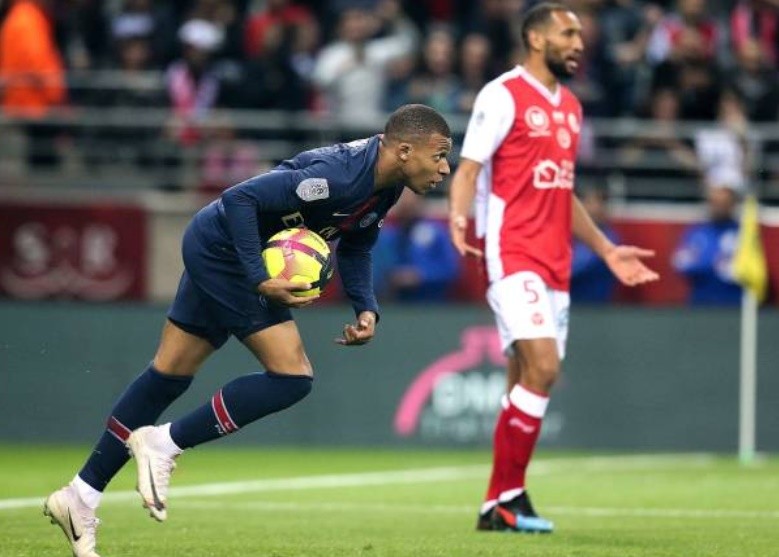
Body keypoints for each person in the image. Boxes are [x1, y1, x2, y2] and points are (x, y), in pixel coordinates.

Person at [43, 104, 453, 557]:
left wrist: (366, 308)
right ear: (403, 150)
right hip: (227, 253)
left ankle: (80, 496)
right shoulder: (336, 177)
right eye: (438, 155)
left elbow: (357, 245)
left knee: (169, 373)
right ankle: (163, 443)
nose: (444, 168)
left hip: (221, 248)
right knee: (292, 377)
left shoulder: (385, 186)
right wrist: (259, 277)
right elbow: (240, 199)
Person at [448, 3, 659, 534]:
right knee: (544, 369)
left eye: (581, 35)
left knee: (524, 377)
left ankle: (498, 504)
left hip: (556, 264)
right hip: (511, 252)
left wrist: (608, 249)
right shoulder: (502, 95)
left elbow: (562, 193)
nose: (579, 43)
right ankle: (508, 499)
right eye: (568, 33)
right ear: (536, 39)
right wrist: (458, 216)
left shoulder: (570, 107)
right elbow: (468, 169)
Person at [372, 187, 460, 302]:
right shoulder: (385, 235)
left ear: (421, 201)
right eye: (401, 199)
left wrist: (420, 275)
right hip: (391, 306)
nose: (406, 203)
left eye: (411, 198)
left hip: (431, 305)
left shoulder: (436, 232)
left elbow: (451, 269)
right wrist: (390, 277)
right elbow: (370, 271)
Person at [672, 178, 743, 305]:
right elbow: (680, 264)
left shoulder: (742, 233)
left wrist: (703, 260)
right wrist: (714, 263)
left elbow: (746, 269)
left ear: (732, 205)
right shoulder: (696, 232)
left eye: (724, 203)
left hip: (733, 305)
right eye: (715, 203)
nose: (718, 208)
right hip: (701, 304)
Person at [571, 186, 620, 304]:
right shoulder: (571, 236)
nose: (595, 208)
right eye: (589, 202)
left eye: (600, 203)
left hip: (594, 309)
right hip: (567, 306)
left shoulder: (610, 239)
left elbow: (574, 269)